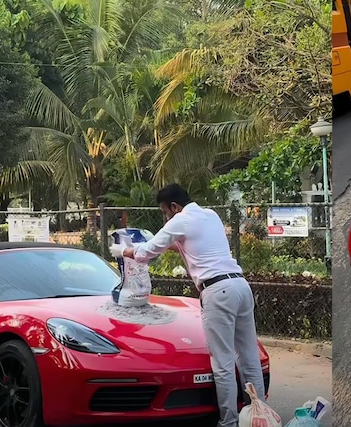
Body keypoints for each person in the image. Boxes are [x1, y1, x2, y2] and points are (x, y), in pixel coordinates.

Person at [109, 183, 266, 427]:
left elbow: (147, 252)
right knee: (248, 356)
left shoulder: (179, 220)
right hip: (240, 286)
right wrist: (159, 241)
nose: (165, 217)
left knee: (222, 362)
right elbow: (185, 243)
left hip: (217, 292)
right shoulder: (210, 215)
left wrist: (124, 251)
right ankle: (260, 416)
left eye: (165, 212)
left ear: (174, 206)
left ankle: (229, 423)